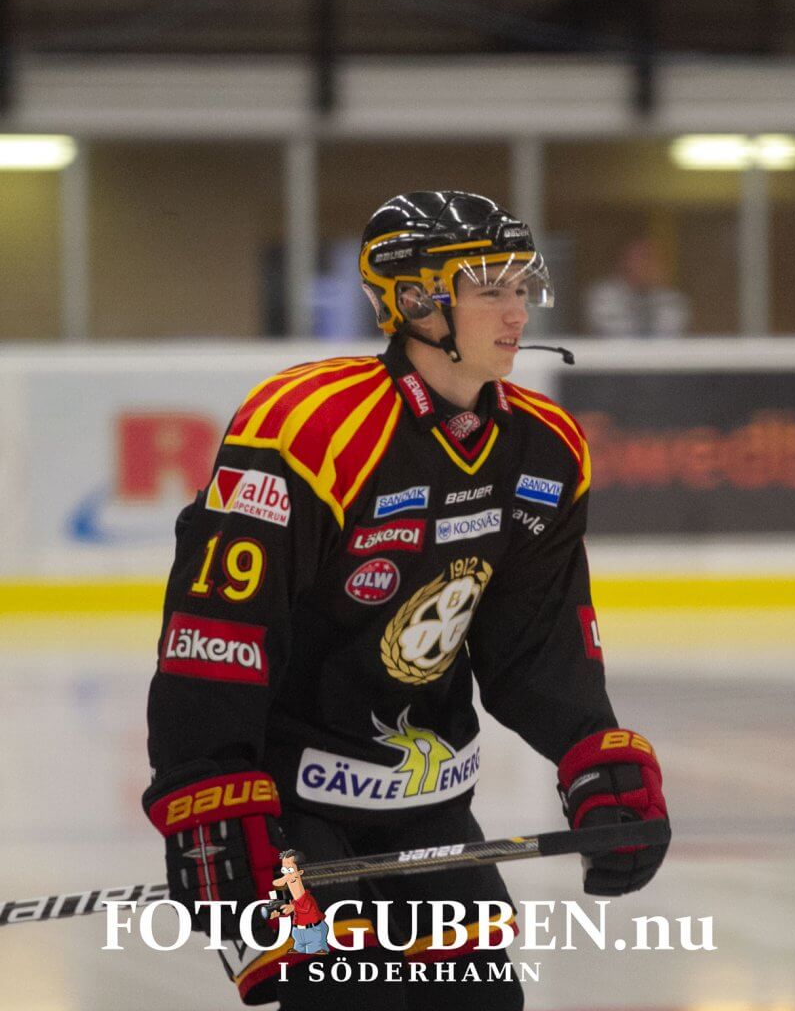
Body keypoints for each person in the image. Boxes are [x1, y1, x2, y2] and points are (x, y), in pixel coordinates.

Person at [143, 190, 670, 1010]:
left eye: (521, 287)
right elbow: (220, 625)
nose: (516, 310)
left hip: (427, 802)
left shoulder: (545, 447)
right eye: (488, 289)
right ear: (417, 300)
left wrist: (592, 748)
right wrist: (206, 790)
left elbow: (535, 641)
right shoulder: (310, 425)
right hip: (285, 811)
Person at [584, 235, 691, 338]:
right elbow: (614, 334)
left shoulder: (672, 299)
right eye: (643, 257)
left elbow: (670, 333)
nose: (648, 264)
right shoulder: (604, 295)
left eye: (655, 258)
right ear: (624, 261)